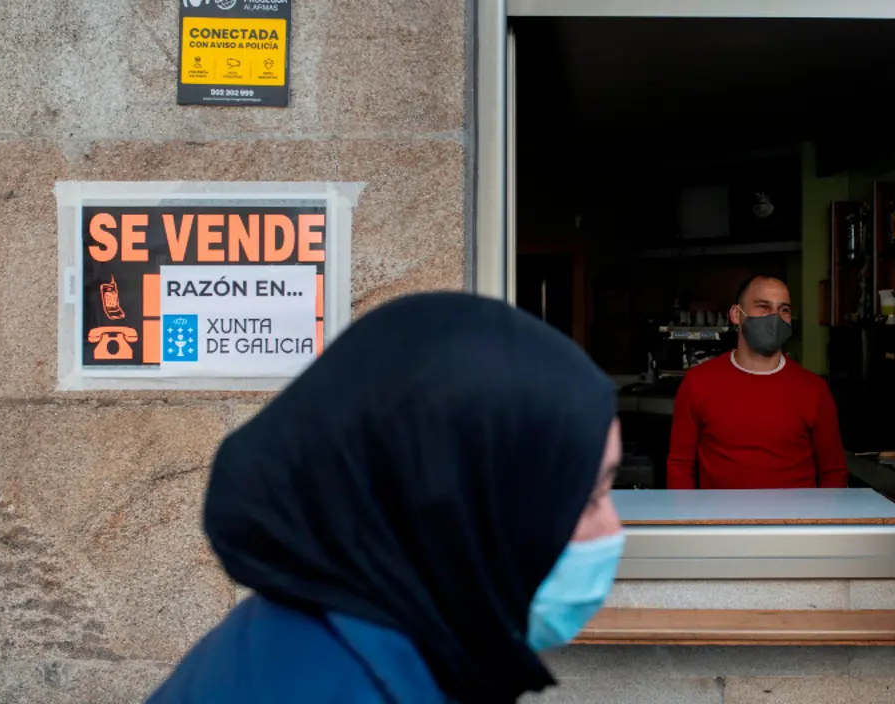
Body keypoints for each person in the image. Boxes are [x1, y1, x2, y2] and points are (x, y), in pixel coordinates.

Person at [148, 292, 624, 704]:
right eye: (589, 499)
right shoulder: (347, 682)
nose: (613, 530)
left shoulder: (343, 630)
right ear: (459, 503)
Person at [667, 274, 847, 489]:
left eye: (784, 309)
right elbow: (680, 466)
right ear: (736, 314)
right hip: (720, 511)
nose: (775, 317)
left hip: (796, 511)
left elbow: (833, 472)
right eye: (763, 306)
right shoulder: (698, 383)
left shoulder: (814, 389)